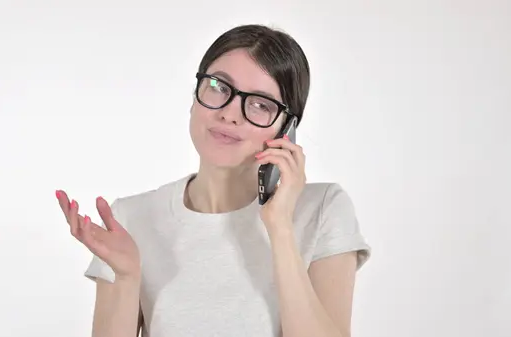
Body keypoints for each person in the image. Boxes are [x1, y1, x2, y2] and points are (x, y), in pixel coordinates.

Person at [55, 24, 371, 337]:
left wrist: (281, 227)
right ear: (195, 96)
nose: (230, 114)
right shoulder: (131, 218)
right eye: (219, 86)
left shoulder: (323, 209)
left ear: (286, 129)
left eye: (261, 104)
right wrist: (126, 277)